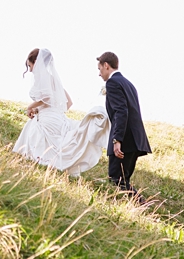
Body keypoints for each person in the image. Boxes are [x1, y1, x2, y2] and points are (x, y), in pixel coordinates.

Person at [13, 48, 109, 176]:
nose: (30, 70)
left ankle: (36, 162)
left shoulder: (41, 78)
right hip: (57, 117)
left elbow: (46, 98)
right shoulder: (53, 79)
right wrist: (39, 109)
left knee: (35, 134)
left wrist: (30, 106)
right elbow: (69, 103)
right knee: (60, 145)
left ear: (36, 62)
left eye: (30, 66)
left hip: (47, 119)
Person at [98, 51, 151, 196]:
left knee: (116, 180)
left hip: (125, 141)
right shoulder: (129, 84)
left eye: (100, 68)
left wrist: (117, 140)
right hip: (135, 141)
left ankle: (141, 205)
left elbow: (121, 112)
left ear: (106, 65)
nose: (99, 73)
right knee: (122, 180)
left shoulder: (113, 83)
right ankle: (139, 207)